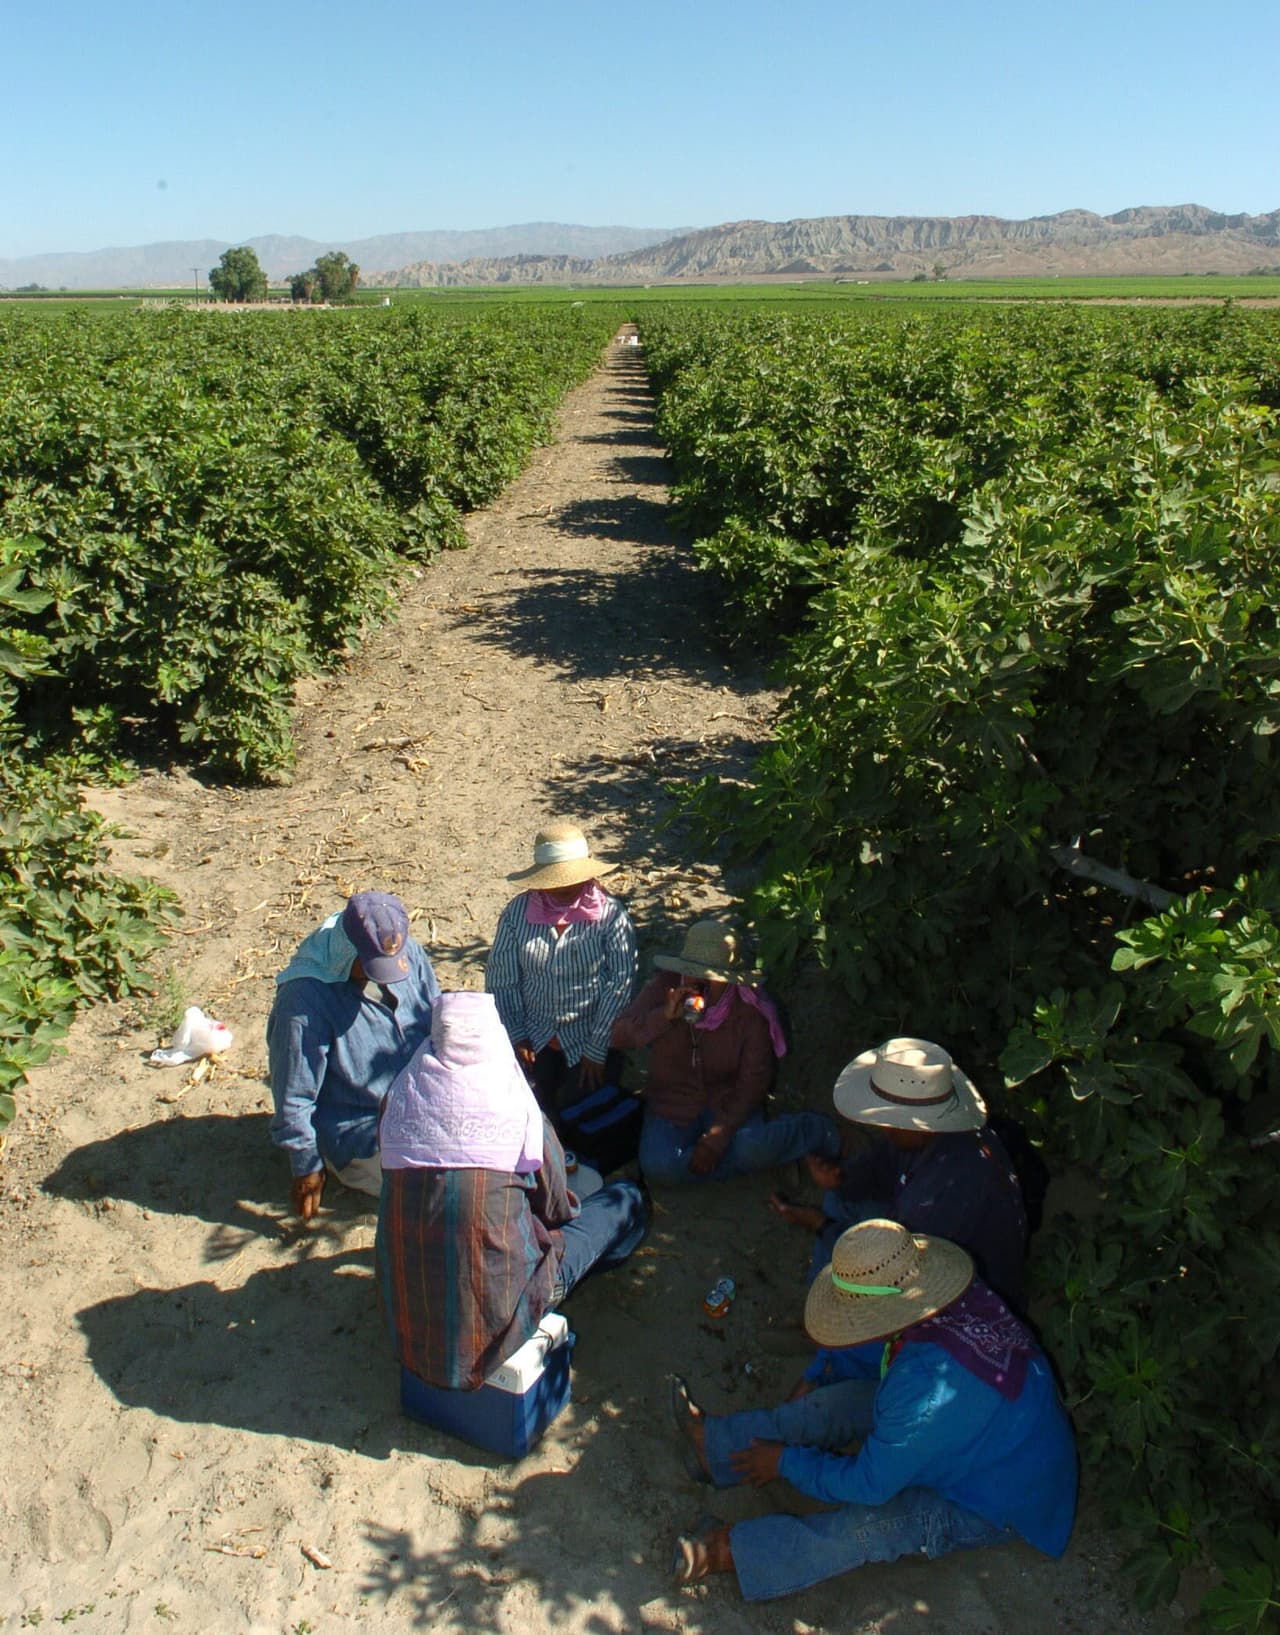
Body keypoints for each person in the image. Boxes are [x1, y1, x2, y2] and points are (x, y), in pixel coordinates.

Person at [667, 1218, 1077, 1600]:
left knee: (873, 1527)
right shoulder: (951, 1296)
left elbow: (869, 1485)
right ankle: (717, 1448)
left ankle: (729, 1551)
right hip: (979, 1433)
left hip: (998, 1499)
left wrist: (789, 1463)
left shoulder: (924, 1388)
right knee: (834, 1404)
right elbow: (877, 1357)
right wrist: (820, 1374)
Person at [377, 991, 648, 1389]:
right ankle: (598, 1264)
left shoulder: (398, 1103)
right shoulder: (518, 1113)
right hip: (498, 1321)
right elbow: (557, 1210)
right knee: (625, 1200)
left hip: (408, 1318)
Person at [769, 1037, 1029, 1308]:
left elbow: (895, 1274)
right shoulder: (935, 1137)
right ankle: (826, 1297)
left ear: (918, 1126)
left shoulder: (941, 1194)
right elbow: (884, 1162)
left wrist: (819, 1225)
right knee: (840, 1197)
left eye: (888, 1122)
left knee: (870, 1287)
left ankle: (833, 1316)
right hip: (923, 1242)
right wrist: (841, 1178)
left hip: (958, 1294)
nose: (882, 1128)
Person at [611, 920, 840, 1185]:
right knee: (658, 1165)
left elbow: (754, 1082)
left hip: (728, 1102)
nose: (701, 983)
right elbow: (618, 1036)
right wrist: (663, 1017)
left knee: (751, 1146)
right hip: (672, 1104)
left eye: (712, 977)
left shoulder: (749, 1012)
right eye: (694, 973)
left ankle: (812, 1131)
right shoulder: (665, 988)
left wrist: (720, 1136)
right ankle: (747, 1162)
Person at [267, 891, 439, 1220]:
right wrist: (306, 1166)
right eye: (372, 966)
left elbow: (434, 1017)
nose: (384, 974)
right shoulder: (303, 1003)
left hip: (421, 1102)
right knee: (436, 1195)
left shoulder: (404, 950)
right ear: (348, 949)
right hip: (362, 1127)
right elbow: (293, 1095)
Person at [486, 821, 637, 1127]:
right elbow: (502, 980)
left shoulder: (610, 915)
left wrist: (597, 1048)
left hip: (591, 1037)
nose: (566, 889)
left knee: (585, 1117)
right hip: (535, 1036)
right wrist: (517, 1034)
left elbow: (619, 983)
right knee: (533, 1117)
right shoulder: (516, 914)